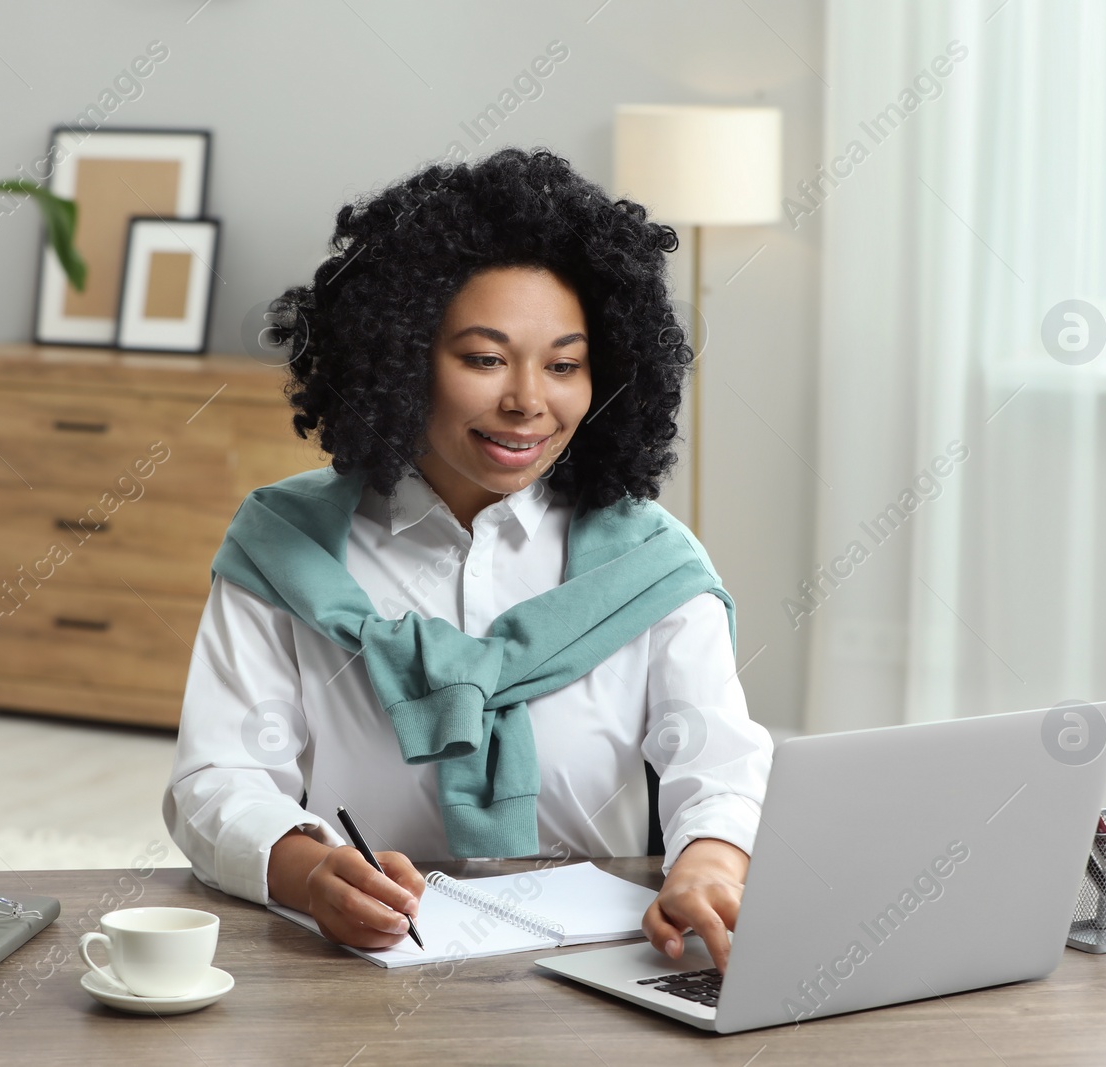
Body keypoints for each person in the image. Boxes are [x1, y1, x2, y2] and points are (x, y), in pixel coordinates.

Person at [163, 146, 772, 972]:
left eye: (564, 365)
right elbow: (216, 777)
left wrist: (707, 864)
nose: (528, 401)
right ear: (401, 354)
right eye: (484, 359)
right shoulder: (287, 545)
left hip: (600, 965)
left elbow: (719, 760)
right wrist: (309, 875)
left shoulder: (652, 563)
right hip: (354, 964)